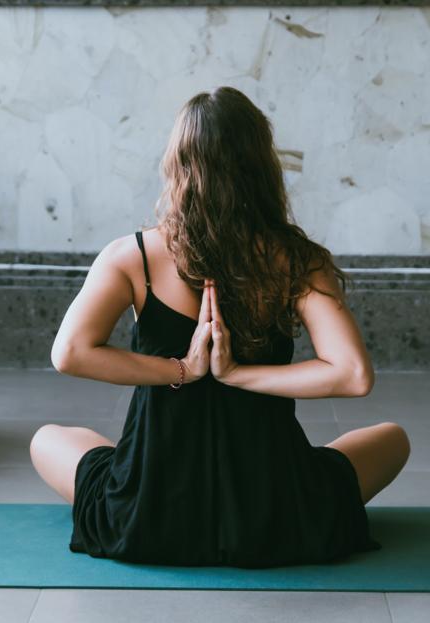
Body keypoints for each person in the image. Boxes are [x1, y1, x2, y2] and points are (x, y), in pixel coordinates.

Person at [30, 86, 410, 568]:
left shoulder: (132, 257)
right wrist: (238, 374)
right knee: (393, 437)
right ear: (260, 165)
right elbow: (353, 375)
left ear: (178, 164)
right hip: (278, 515)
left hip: (149, 514)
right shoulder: (296, 260)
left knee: (47, 438)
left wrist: (184, 370)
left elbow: (69, 354)